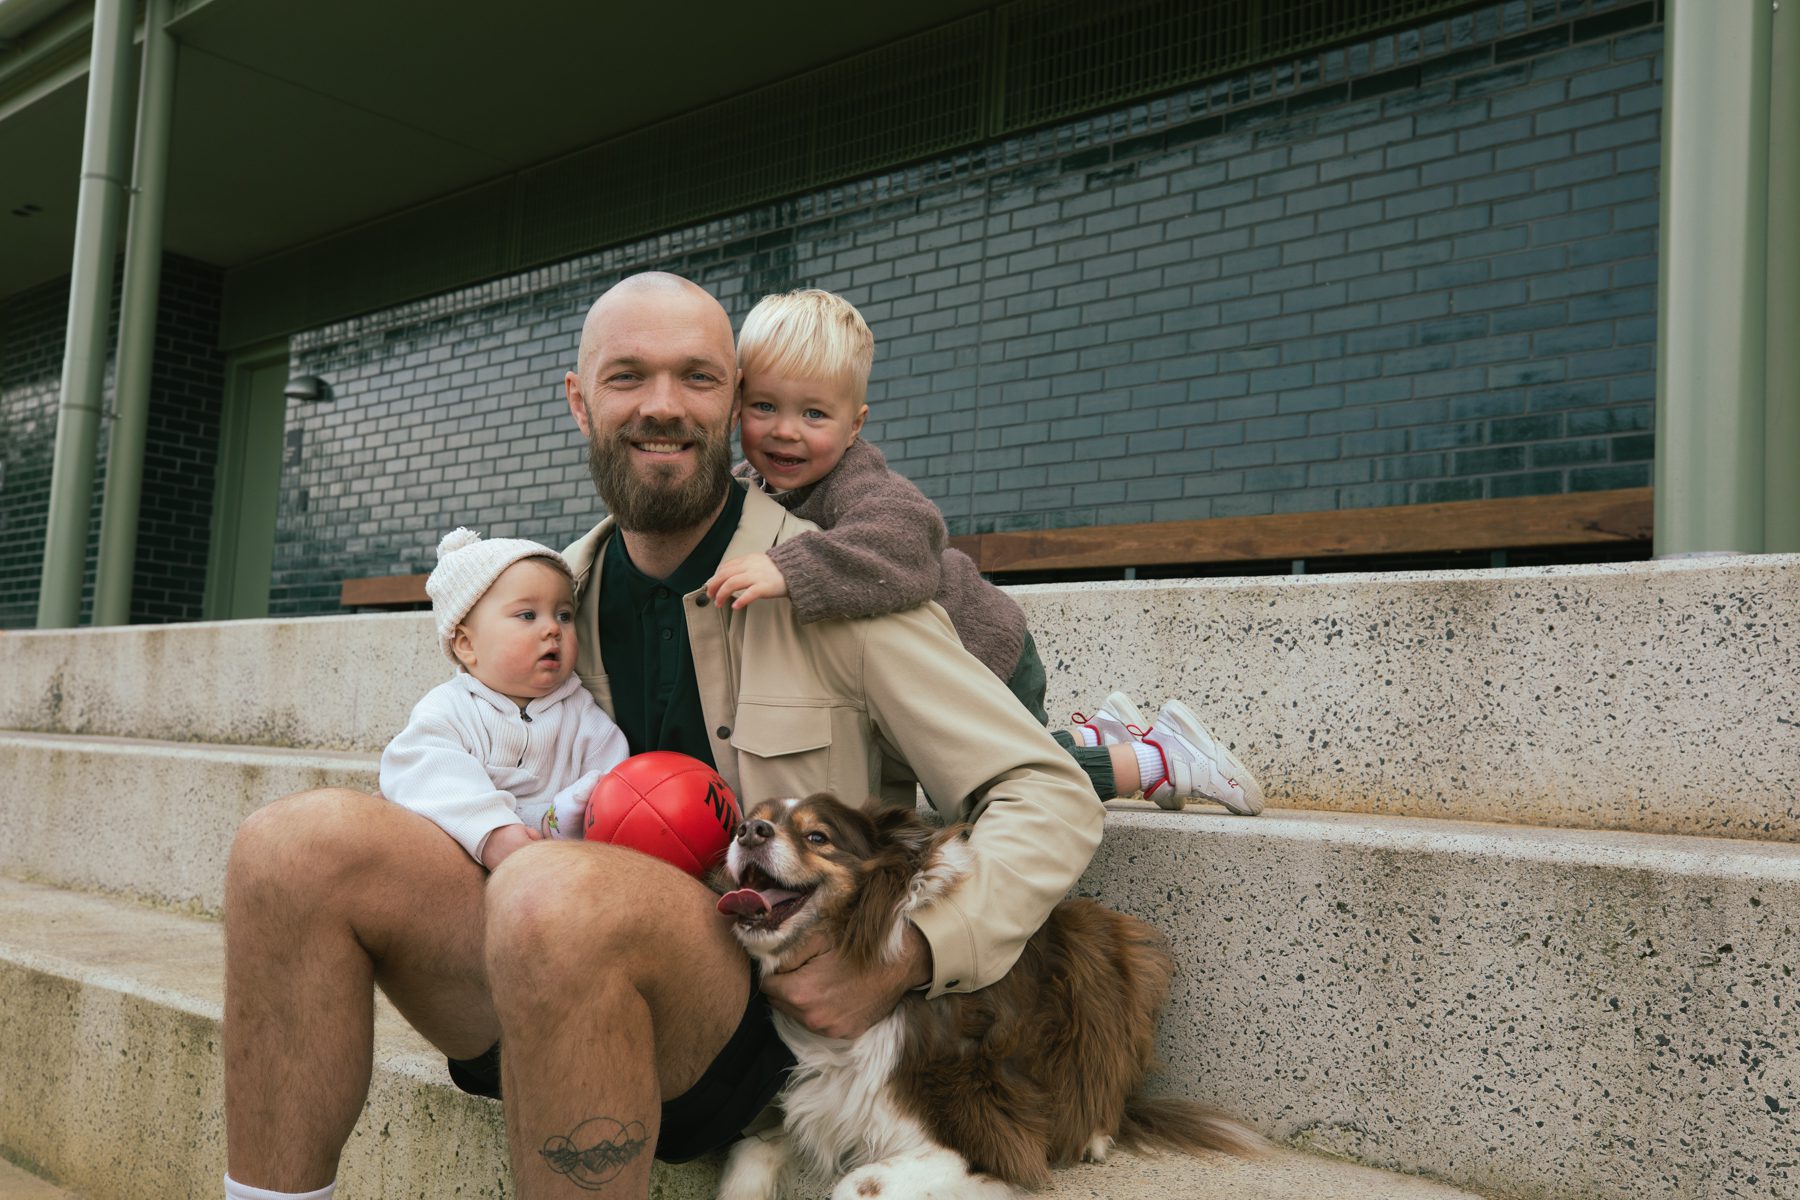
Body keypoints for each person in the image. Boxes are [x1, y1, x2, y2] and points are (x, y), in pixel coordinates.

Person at [221, 272, 1102, 1200]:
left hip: (769, 1021)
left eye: (698, 379)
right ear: (578, 398)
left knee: (553, 889)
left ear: (733, 405)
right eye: (628, 376)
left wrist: (912, 953)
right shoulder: (549, 600)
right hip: (544, 966)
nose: (663, 407)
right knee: (291, 847)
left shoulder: (833, 586)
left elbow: (1046, 792)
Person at [704, 287, 1264, 816]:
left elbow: (906, 541)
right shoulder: (750, 484)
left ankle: (1159, 759)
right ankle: (1101, 733)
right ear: (735, 409)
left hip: (984, 653)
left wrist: (788, 568)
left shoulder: (859, 483)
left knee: (993, 788)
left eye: (814, 415)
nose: (786, 432)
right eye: (764, 407)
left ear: (855, 427)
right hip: (920, 674)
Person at [379, 528, 630, 869]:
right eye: (528, 615)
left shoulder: (583, 714)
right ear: (467, 645)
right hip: (458, 860)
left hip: (553, 868)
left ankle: (555, 827)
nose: (553, 629)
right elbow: (422, 767)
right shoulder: (450, 709)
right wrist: (492, 831)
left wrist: (581, 807)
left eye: (564, 615)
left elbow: (614, 778)